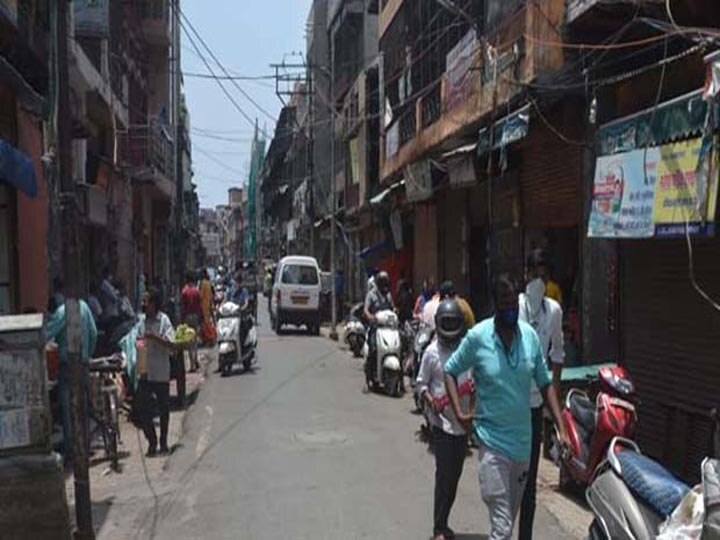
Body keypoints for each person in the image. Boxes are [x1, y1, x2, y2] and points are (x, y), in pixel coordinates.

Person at [443, 275, 569, 540]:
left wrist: (562, 426)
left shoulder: (531, 338)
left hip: (522, 447)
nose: (511, 309)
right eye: (505, 304)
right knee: (502, 529)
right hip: (492, 445)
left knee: (506, 526)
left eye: (514, 303)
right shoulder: (478, 337)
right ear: (495, 305)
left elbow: (546, 384)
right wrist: (459, 412)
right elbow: (450, 370)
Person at [517, 250, 564, 540]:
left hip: (535, 405)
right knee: (511, 478)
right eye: (534, 273)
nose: (538, 279)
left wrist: (552, 397)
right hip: (511, 406)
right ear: (526, 275)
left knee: (530, 482)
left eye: (543, 274)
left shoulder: (554, 311)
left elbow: (557, 353)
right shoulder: (516, 305)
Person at [417, 299, 473, 540]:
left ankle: (445, 520)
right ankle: (438, 527)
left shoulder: (467, 350)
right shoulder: (431, 353)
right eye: (446, 322)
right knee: (443, 476)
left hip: (463, 423)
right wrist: (430, 399)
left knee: (455, 476)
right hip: (441, 423)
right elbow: (420, 384)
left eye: (454, 322)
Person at [45, 287, 98, 466]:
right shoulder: (84, 307)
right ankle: (84, 445)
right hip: (82, 364)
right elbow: (93, 333)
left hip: (67, 366)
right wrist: (87, 355)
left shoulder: (63, 312)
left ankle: (71, 451)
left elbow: (46, 334)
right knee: (82, 407)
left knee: (69, 410)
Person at [138, 288, 176, 457]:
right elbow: (138, 343)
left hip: (161, 371)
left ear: (154, 304)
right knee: (142, 409)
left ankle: (163, 442)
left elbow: (171, 344)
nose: (144, 305)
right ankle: (151, 440)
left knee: (163, 408)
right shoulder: (141, 322)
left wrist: (155, 338)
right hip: (146, 371)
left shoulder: (164, 321)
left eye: (147, 302)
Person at [363, 271, 395, 388]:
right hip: (376, 328)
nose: (385, 287)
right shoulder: (371, 295)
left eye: (386, 284)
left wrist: (395, 311)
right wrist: (370, 316)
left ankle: (400, 380)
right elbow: (366, 310)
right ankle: (368, 379)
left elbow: (392, 307)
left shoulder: (388, 295)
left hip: (389, 328)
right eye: (383, 284)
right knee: (373, 349)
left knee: (400, 346)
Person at [180, 271, 202, 372]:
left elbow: (183, 308)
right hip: (195, 316)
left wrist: (182, 320)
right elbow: (199, 306)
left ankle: (192, 364)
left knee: (189, 341)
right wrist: (201, 318)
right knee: (195, 341)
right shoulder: (196, 291)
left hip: (187, 317)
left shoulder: (184, 291)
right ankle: (195, 360)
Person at [199, 269, 215, 343]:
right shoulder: (208, 283)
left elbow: (201, 296)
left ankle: (211, 337)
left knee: (205, 324)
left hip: (204, 306)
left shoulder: (203, 283)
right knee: (207, 323)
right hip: (208, 305)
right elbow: (211, 295)